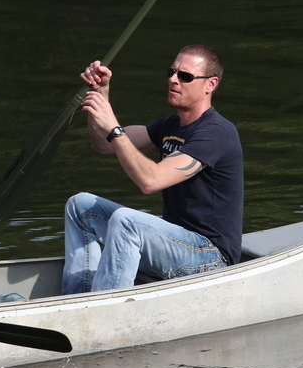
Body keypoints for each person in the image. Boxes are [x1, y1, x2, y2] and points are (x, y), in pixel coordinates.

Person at [62, 44, 243, 294]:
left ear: (210, 84)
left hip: (210, 257)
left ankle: (104, 311)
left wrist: (114, 127)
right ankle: (75, 299)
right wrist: (100, 96)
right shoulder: (168, 126)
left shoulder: (217, 133)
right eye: (172, 72)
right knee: (80, 206)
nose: (173, 80)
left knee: (127, 222)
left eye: (185, 76)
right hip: (175, 243)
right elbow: (103, 145)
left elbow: (150, 181)